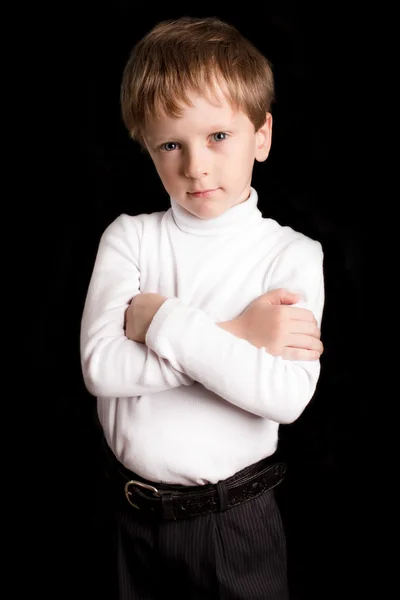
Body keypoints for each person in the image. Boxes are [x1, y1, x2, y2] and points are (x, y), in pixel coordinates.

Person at [80, 15, 325, 600]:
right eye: (171, 144)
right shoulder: (130, 238)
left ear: (261, 136)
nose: (195, 166)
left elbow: (285, 397)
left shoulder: (289, 254)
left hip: (233, 522)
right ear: (149, 149)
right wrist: (237, 334)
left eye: (218, 136)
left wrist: (161, 321)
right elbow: (101, 370)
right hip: (132, 516)